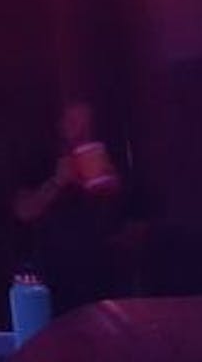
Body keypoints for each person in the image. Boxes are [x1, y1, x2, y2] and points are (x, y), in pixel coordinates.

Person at [12, 99, 134, 315]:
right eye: (74, 122)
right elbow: (23, 211)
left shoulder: (105, 155)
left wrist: (112, 186)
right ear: (60, 125)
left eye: (86, 125)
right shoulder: (40, 159)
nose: (80, 131)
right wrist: (57, 182)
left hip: (102, 273)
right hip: (56, 274)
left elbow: (134, 219)